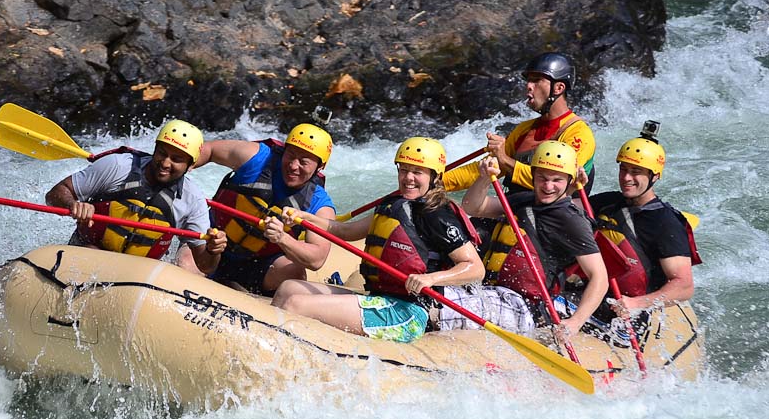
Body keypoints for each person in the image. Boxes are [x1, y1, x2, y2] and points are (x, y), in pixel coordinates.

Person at [270, 137, 486, 343]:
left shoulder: (437, 214)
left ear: (435, 176)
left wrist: (431, 279)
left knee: (295, 304)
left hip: (407, 314)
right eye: (404, 170)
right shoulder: (395, 204)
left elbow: (475, 268)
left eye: (417, 172)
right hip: (381, 298)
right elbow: (346, 231)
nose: (408, 178)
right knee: (288, 288)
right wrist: (306, 218)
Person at [462, 139, 608, 338]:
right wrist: (484, 180)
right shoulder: (525, 201)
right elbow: (473, 207)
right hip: (493, 292)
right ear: (532, 175)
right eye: (542, 178)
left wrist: (575, 322)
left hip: (525, 307)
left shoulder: (571, 220)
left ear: (568, 180)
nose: (548, 186)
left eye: (557, 180)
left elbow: (600, 278)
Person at [45, 119, 226, 275]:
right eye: (162, 153)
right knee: (91, 252)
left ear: (191, 165)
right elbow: (55, 193)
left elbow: (205, 266)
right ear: (155, 148)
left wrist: (213, 250)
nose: (165, 163)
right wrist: (73, 204)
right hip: (87, 253)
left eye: (176, 159)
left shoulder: (193, 200)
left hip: (137, 276)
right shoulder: (117, 166)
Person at [195, 123, 337, 295]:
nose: (293, 166)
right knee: (188, 255)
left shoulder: (319, 204)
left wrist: (282, 238)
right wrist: (182, 169)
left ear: (319, 167)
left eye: (303, 162)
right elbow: (209, 150)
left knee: (294, 273)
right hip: (212, 242)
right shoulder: (257, 157)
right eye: (290, 155)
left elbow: (317, 259)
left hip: (257, 265)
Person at [586, 127, 700, 322]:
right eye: (623, 169)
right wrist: (573, 185)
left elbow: (684, 285)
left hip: (632, 309)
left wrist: (636, 304)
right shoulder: (608, 202)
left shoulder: (666, 223)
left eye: (636, 172)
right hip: (593, 293)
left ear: (655, 176)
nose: (626, 178)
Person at [443, 52, 596, 195]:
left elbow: (554, 183)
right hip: (517, 208)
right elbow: (484, 168)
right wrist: (437, 182)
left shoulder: (578, 134)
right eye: (529, 80)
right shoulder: (524, 129)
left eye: (537, 80)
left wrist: (504, 159)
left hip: (555, 217)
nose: (529, 86)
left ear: (558, 88)